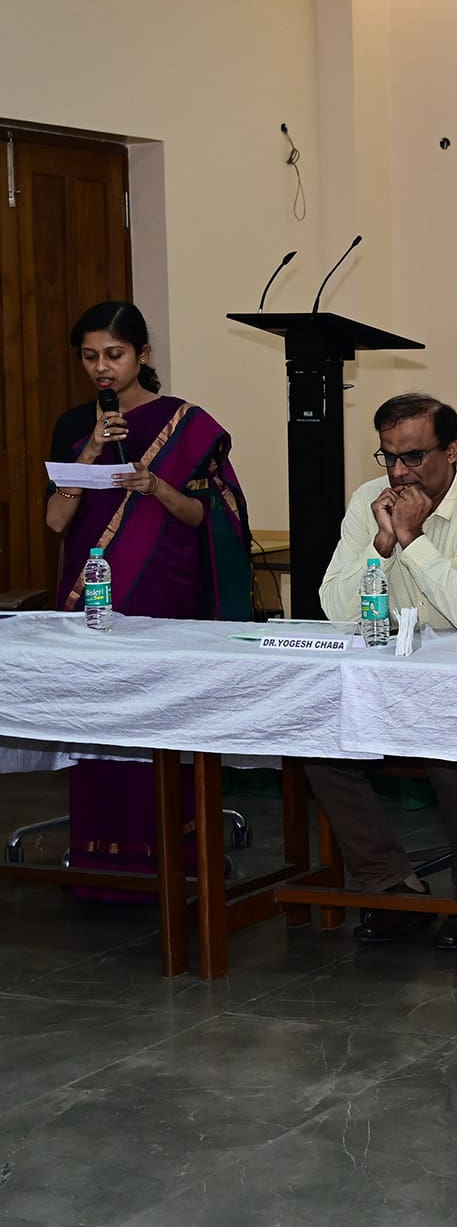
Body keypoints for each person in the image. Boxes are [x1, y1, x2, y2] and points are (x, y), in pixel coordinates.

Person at [307, 393, 457, 950]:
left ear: (452, 450)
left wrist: (412, 540)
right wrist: (382, 545)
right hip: (402, 674)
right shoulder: (369, 501)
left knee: (447, 742)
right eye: (387, 456)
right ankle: (391, 887)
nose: (398, 472)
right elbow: (336, 608)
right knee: (318, 740)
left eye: (413, 456)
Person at [42, 301, 251, 896]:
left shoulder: (186, 424)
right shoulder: (74, 424)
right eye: (90, 357)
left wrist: (155, 484)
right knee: (100, 718)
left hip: (164, 589)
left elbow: (208, 518)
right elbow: (55, 521)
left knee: (160, 718)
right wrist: (88, 454)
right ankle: (101, 862)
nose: (101, 368)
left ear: (143, 355)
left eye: (114, 354)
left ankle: (175, 857)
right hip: (94, 589)